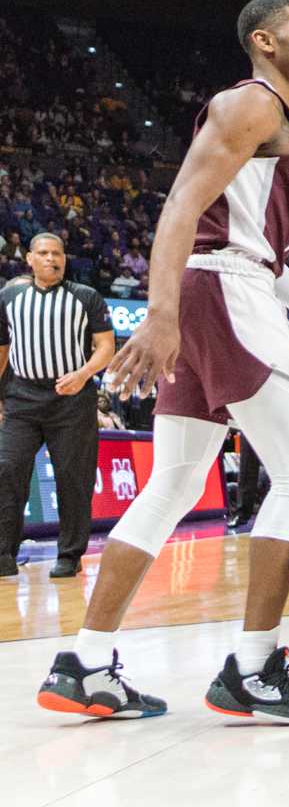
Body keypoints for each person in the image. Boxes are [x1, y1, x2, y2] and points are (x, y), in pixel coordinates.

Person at [38, 0, 289, 726]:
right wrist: (160, 315)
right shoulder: (251, 105)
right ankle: (253, 671)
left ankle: (86, 663)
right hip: (222, 292)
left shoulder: (276, 122)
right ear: (265, 42)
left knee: (174, 485)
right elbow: (181, 211)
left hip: (225, 283)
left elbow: (257, 250)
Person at [0, 232, 116, 578]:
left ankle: (69, 554)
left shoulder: (86, 297)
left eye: (58, 253)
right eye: (44, 253)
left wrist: (83, 374)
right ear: (30, 259)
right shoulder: (9, 297)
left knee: (73, 478)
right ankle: (4, 553)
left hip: (71, 400)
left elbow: (106, 347)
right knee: (7, 470)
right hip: (22, 399)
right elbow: (3, 350)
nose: (52, 259)